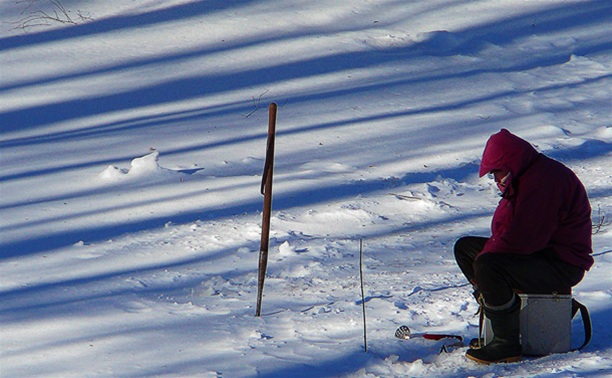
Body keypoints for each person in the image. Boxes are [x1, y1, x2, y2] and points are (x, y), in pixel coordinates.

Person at [454, 129, 593, 364]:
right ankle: (496, 319)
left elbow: (523, 239)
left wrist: (486, 260)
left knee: (488, 264)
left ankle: (505, 343)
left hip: (561, 265)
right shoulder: (527, 175)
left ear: (510, 162)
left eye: (497, 171)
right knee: (466, 249)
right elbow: (509, 234)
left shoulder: (543, 181)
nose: (496, 179)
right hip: (541, 255)